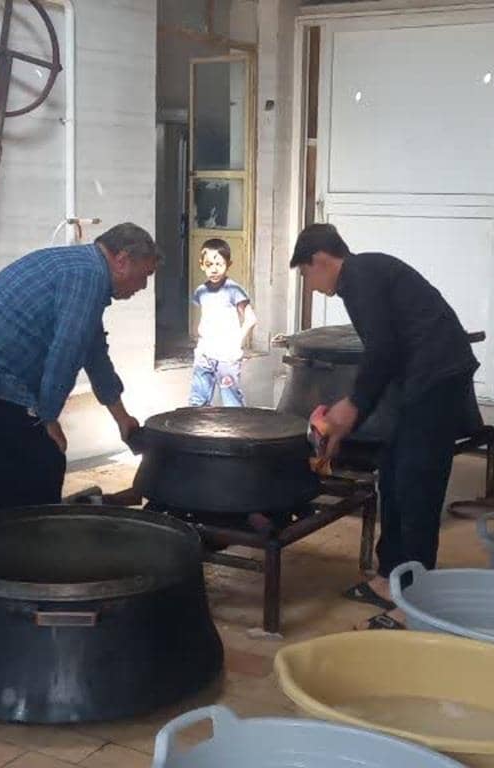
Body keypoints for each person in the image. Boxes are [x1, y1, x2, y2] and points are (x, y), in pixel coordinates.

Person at [290, 223, 478, 631]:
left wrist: (353, 406)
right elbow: (388, 352)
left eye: (306, 273)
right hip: (418, 382)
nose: (309, 283)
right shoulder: (365, 275)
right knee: (391, 475)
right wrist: (349, 414)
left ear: (320, 260)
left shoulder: (359, 276)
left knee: (416, 484)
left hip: (437, 380)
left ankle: (414, 599)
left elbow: (382, 351)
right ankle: (388, 577)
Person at [0, 223, 157, 516]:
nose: (144, 287)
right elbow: (66, 354)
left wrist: (122, 419)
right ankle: (31, 542)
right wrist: (47, 418)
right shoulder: (88, 278)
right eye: (146, 275)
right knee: (44, 460)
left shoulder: (77, 266)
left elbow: (94, 355)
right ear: (122, 261)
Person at [189, 238, 257, 407]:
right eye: (209, 264)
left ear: (229, 264)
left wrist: (236, 342)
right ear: (202, 265)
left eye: (219, 264)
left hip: (227, 356)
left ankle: (236, 433)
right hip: (204, 353)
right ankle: (196, 433)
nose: (214, 269)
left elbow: (251, 319)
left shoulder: (233, 290)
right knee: (198, 400)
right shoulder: (201, 291)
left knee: (231, 400)